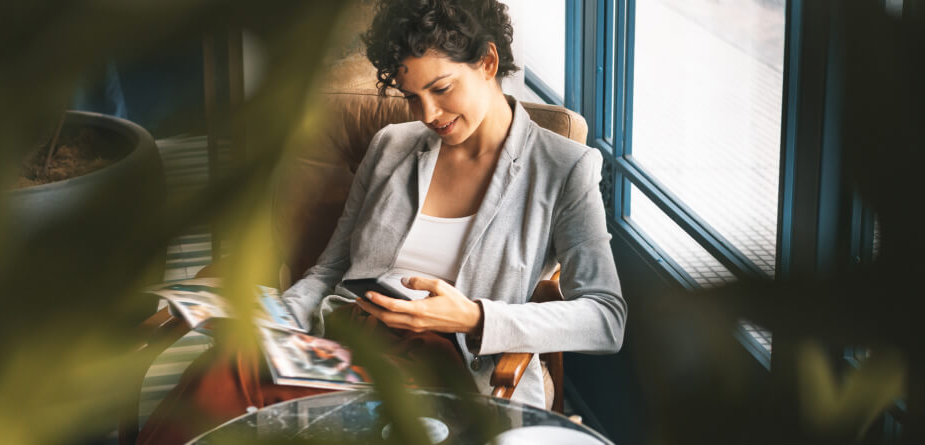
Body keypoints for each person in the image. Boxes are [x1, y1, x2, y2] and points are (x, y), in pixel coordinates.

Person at [138, 0, 625, 442]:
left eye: (440, 88)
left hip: (446, 362)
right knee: (223, 374)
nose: (428, 113)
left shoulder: (563, 168)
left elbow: (606, 318)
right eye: (412, 95)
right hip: (346, 336)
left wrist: (474, 316)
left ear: (488, 63)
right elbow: (330, 269)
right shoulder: (392, 145)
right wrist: (277, 320)